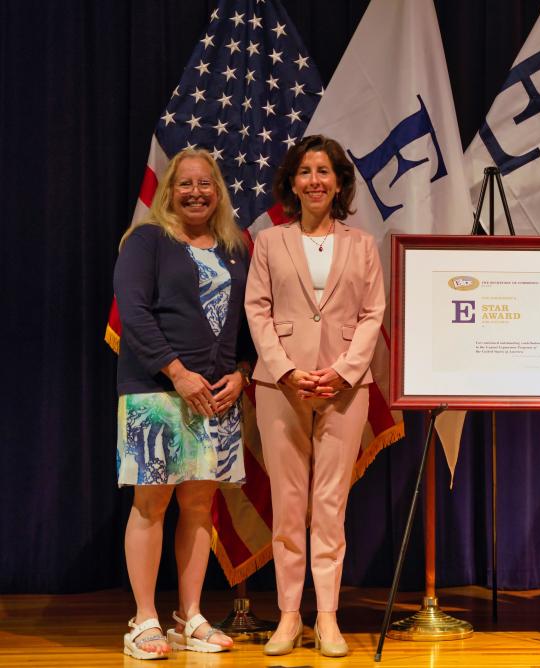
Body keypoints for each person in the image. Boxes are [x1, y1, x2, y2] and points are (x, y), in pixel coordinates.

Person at [245, 135, 385, 657]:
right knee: (288, 504)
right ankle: (288, 616)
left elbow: (373, 313)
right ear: (291, 183)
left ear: (340, 181)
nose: (315, 181)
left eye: (324, 171)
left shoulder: (362, 244)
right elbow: (256, 310)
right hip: (280, 387)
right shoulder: (269, 241)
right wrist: (284, 370)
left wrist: (345, 372)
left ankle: (326, 617)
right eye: (305, 172)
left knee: (330, 504)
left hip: (344, 391)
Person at [114, 148, 250, 659]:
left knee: (199, 504)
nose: (195, 192)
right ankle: (143, 619)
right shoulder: (147, 240)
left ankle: (189, 616)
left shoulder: (236, 247)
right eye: (184, 184)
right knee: (151, 505)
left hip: (218, 397)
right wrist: (177, 372)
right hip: (157, 393)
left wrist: (242, 373)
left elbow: (247, 322)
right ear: (169, 190)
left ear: (218, 191)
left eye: (205, 184)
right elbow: (135, 312)